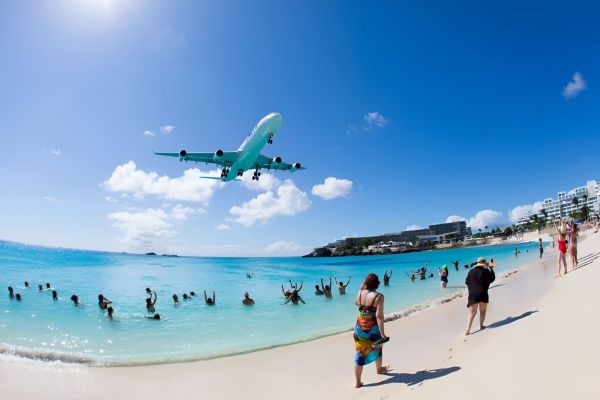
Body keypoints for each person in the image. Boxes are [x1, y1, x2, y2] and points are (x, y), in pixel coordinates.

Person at [353, 273, 389, 388]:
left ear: (366, 283)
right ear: (377, 283)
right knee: (377, 348)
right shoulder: (379, 296)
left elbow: (356, 303)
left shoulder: (360, 293)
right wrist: (382, 333)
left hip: (359, 329)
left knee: (359, 354)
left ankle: (358, 382)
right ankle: (379, 369)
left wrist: (360, 288)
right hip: (372, 330)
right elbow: (379, 316)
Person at [465, 257, 496, 335]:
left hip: (473, 295)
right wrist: (491, 269)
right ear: (483, 264)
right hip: (483, 293)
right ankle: (481, 326)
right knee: (482, 311)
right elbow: (492, 279)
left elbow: (467, 282)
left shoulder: (470, 271)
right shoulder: (485, 271)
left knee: (472, 312)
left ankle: (468, 329)